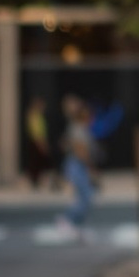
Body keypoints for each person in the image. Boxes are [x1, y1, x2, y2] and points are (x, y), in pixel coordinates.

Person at [60, 96, 98, 233]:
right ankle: (67, 219)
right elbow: (80, 151)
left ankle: (74, 223)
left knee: (85, 196)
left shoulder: (80, 128)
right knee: (85, 196)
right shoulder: (77, 128)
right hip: (77, 165)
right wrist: (90, 167)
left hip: (77, 165)